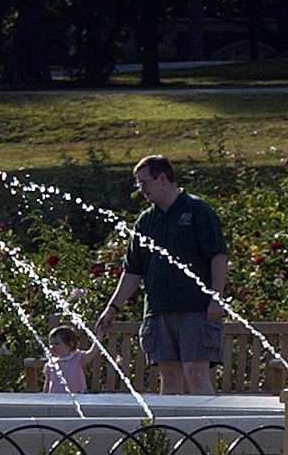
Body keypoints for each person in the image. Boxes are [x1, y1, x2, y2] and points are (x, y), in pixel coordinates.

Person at [97, 155, 229, 396]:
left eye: (144, 182)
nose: (141, 189)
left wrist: (216, 298)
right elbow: (133, 270)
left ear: (162, 178)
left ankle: (211, 431)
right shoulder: (145, 221)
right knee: (168, 377)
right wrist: (113, 307)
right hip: (158, 311)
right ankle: (170, 433)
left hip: (196, 309)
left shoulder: (196, 210)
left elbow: (218, 256)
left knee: (196, 373)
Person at [42, 324, 96, 394]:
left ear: (70, 344)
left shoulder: (77, 357)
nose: (52, 347)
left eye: (57, 343)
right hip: (55, 399)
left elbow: (92, 353)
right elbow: (47, 383)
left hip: (77, 396)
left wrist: (99, 337)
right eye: (51, 344)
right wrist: (45, 396)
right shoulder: (50, 364)